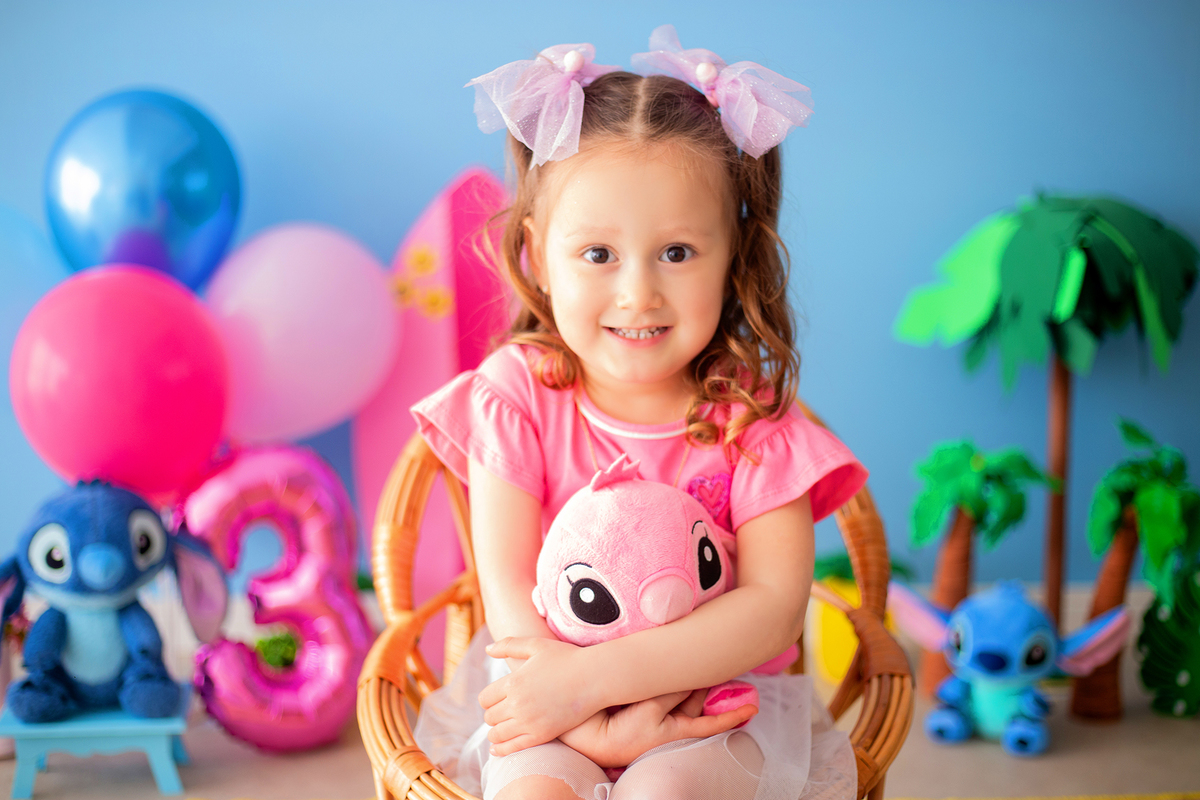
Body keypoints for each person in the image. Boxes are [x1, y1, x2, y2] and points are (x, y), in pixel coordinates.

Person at [411, 24, 867, 800]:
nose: (638, 294)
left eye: (679, 252)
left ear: (734, 260)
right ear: (537, 256)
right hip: (546, 691)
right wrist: (583, 714)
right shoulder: (518, 394)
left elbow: (771, 612)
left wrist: (606, 680)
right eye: (597, 255)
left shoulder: (749, 421)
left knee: (666, 792)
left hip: (716, 705)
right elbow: (511, 592)